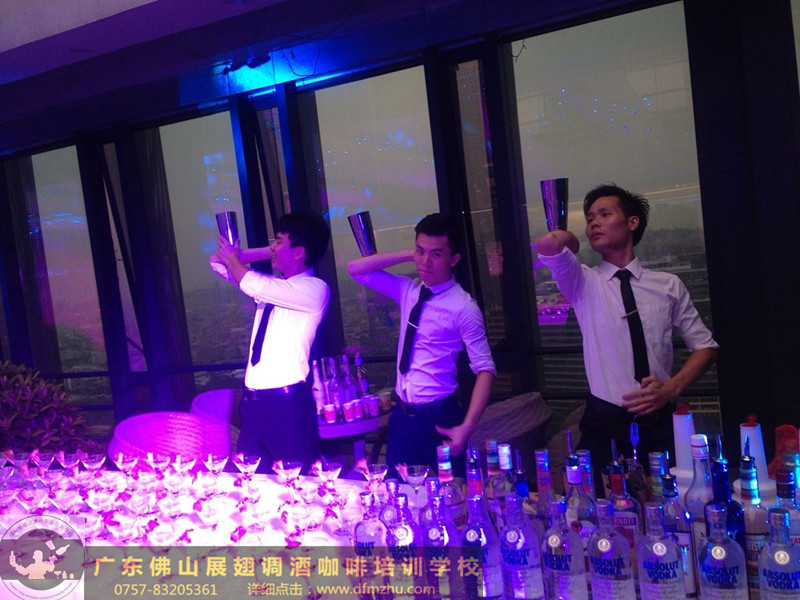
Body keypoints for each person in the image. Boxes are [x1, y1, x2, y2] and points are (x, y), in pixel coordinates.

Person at [534, 183, 718, 480]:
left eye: (604, 214)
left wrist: (671, 388)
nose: (594, 223)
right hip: (602, 421)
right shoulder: (583, 282)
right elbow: (548, 244)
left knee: (669, 497)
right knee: (591, 499)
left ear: (632, 222)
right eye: (590, 218)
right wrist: (573, 241)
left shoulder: (667, 285)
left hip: (659, 419)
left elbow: (705, 346)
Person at [347, 213, 496, 476]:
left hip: (439, 416)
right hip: (402, 416)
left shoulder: (463, 307)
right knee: (398, 492)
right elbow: (355, 269)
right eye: (420, 251)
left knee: (449, 493)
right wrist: (409, 255)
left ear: (454, 259)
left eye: (436, 254)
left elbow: (485, 369)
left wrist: (467, 427)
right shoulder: (408, 290)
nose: (425, 262)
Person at [210, 211, 331, 473]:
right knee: (251, 481)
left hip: (287, 406)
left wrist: (235, 257)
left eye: (277, 241)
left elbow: (250, 283)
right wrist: (267, 251)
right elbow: (217, 263)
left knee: (299, 482)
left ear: (299, 252)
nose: (272, 247)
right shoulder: (275, 286)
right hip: (253, 406)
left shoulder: (314, 289)